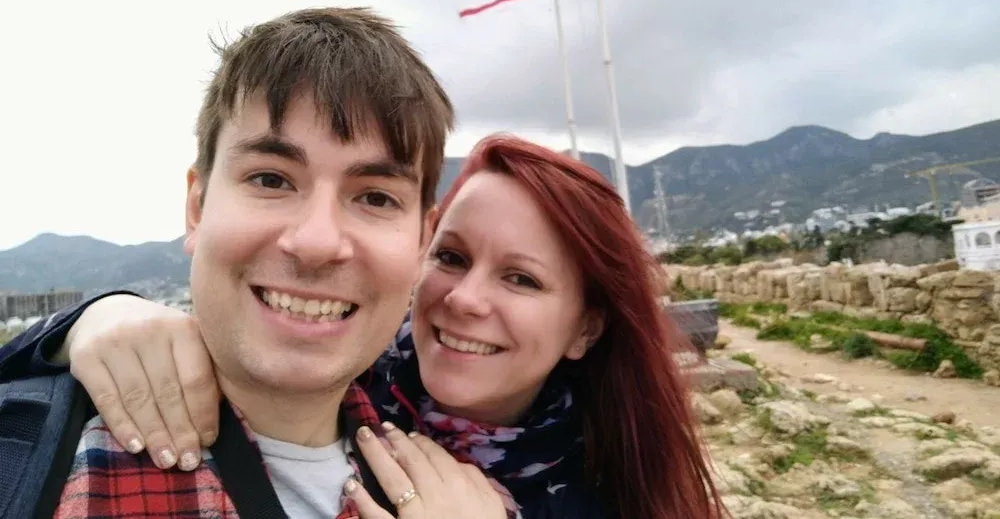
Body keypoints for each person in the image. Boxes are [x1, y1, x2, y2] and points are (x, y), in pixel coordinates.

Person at [2, 134, 727, 518]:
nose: (464, 299)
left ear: (585, 330)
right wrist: (90, 319)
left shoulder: (612, 489)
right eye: (452, 256)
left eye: (522, 278)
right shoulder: (330, 397)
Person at [0, 6, 511, 519]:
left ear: (422, 239)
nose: (316, 242)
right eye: (271, 179)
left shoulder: (471, 500)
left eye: (376, 198)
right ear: (196, 207)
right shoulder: (27, 454)